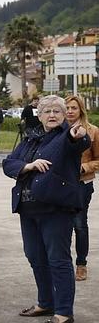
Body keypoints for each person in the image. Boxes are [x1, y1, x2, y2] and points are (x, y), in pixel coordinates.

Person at [2, 95, 89, 323]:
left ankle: (63, 312)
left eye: (57, 111)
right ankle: (45, 303)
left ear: (64, 116)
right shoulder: (30, 140)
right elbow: (8, 163)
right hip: (28, 209)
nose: (52, 115)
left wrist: (76, 135)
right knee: (35, 257)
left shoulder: (66, 136)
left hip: (56, 210)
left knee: (58, 259)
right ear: (39, 116)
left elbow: (79, 141)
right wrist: (27, 166)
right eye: (47, 111)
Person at [65, 95, 99, 281]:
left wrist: (84, 167)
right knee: (61, 225)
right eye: (67, 108)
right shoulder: (58, 131)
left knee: (79, 224)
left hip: (82, 185)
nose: (70, 111)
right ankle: (62, 264)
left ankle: (81, 264)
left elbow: (98, 160)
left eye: (73, 108)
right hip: (60, 185)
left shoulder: (92, 131)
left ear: (81, 110)